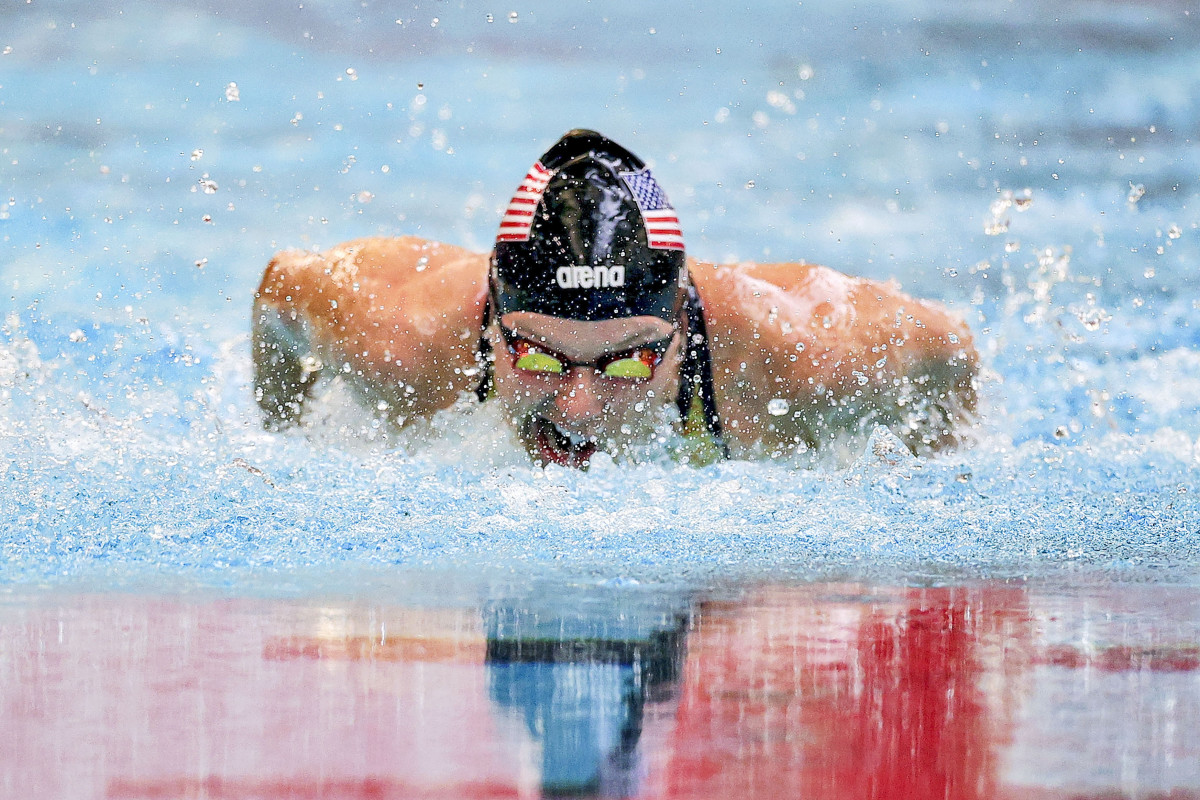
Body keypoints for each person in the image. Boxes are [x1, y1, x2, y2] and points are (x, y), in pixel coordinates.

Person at [252, 129, 977, 467]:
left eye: (627, 364)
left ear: (681, 324)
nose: (579, 409)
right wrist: (285, 435)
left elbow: (951, 350)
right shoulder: (398, 340)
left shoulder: (797, 357)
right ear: (494, 319)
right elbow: (281, 285)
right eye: (539, 357)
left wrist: (923, 466)